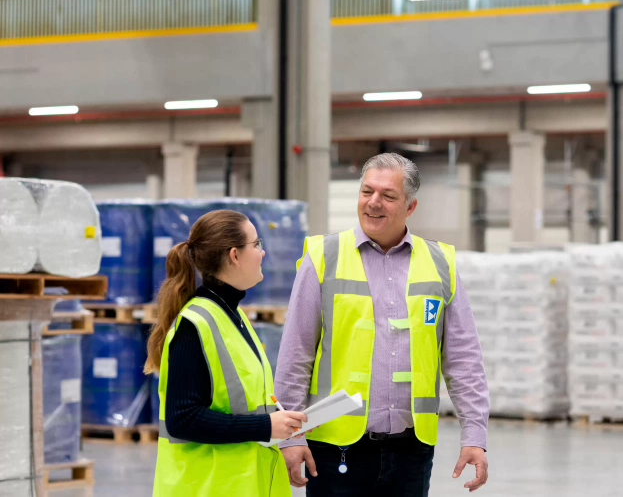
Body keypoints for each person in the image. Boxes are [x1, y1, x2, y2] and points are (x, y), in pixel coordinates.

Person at [274, 153, 490, 496]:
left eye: (388, 196)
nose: (374, 203)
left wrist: (475, 436)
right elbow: (295, 355)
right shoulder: (323, 257)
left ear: (410, 206)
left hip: (411, 452)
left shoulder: (440, 264)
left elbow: (464, 360)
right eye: (366, 192)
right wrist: (290, 436)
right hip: (336, 450)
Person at [145, 210, 306, 497]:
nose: (263, 252)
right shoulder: (195, 325)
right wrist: (265, 425)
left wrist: (280, 425)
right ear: (234, 255)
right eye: (256, 244)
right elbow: (182, 419)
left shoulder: (233, 317)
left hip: (244, 484)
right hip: (208, 487)